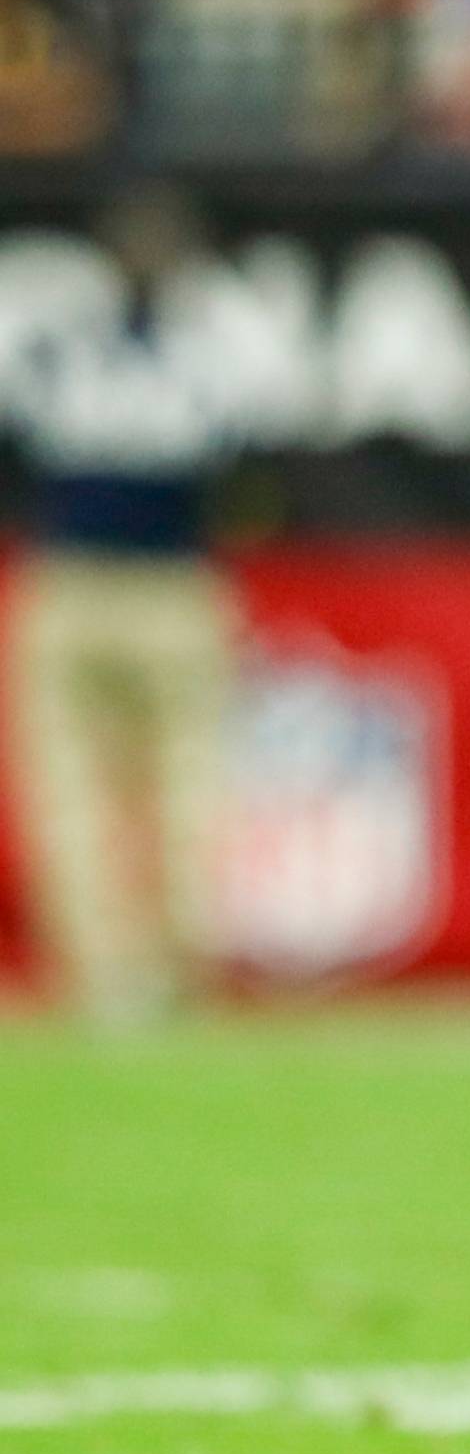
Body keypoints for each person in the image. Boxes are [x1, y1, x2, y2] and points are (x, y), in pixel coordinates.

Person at [3, 183, 241, 1028]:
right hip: (153, 584)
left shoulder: (58, 349)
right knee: (158, 785)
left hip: (88, 583)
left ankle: (118, 979)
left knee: (112, 789)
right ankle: (151, 974)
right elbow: (245, 474)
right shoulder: (210, 350)